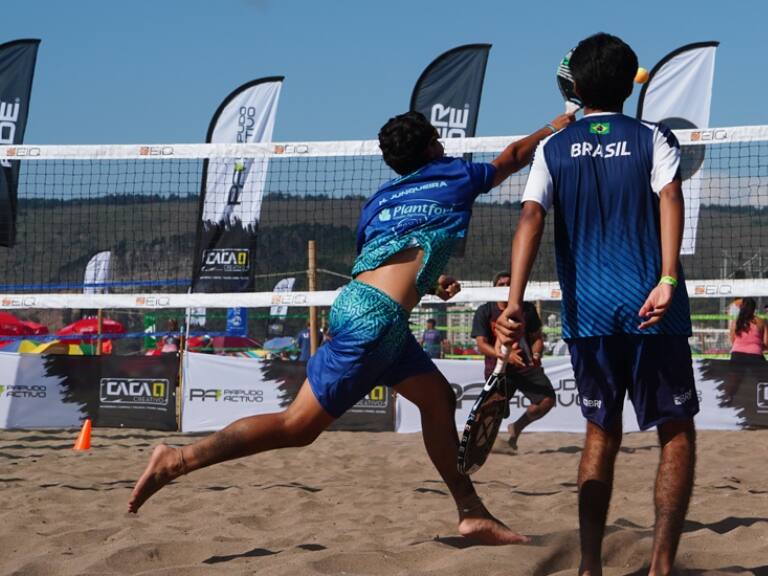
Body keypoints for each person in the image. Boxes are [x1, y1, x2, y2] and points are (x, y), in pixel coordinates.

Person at [128, 109, 573, 545]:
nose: (442, 144)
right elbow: (513, 156)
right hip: (375, 321)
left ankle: (471, 513)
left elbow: (382, 258)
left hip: (368, 311)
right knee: (296, 427)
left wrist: (432, 281)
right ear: (431, 148)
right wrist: (554, 126)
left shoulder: (378, 202)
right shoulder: (454, 175)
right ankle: (177, 460)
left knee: (438, 399)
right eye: (436, 139)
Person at [496, 33, 698, 575]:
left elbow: (531, 217)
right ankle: (660, 566)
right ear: (631, 84)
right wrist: (667, 277)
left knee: (600, 433)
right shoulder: (653, 136)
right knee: (675, 430)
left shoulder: (554, 147)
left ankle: (589, 565)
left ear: (577, 88)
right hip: (654, 309)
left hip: (590, 313)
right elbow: (671, 197)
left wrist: (514, 303)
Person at [471, 271, 555, 450]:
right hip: (498, 368)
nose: (505, 287)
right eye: (501, 285)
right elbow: (482, 345)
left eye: (509, 284)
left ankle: (516, 428)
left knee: (547, 401)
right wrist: (506, 356)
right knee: (493, 411)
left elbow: (537, 339)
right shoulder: (485, 311)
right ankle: (480, 446)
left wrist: (536, 355)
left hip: (525, 366)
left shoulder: (527, 309)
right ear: (494, 289)